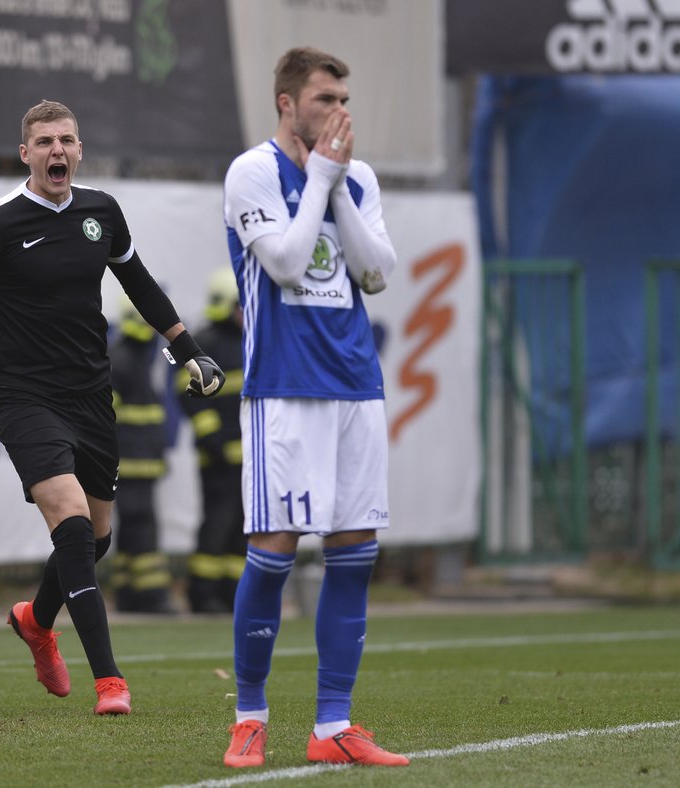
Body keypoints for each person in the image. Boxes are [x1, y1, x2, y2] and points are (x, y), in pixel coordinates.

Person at [0, 99, 225, 716]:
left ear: (80, 150)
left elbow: (139, 284)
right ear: (24, 153)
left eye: (67, 140)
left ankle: (36, 618)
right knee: (73, 521)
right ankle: (110, 681)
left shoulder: (101, 212)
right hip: (24, 396)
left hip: (90, 395)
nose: (58, 150)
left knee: (95, 538)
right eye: (45, 141)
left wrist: (190, 352)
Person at [220, 47, 407, 767]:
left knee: (354, 554)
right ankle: (250, 715)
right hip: (285, 388)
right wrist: (322, 178)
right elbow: (289, 263)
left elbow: (375, 272)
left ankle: (333, 728)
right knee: (273, 553)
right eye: (324, 98)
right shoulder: (252, 172)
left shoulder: (357, 177)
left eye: (342, 98)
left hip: (357, 385)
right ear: (287, 103)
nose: (338, 112)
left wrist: (336, 185)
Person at [178, 268, 247, 614]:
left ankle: (233, 594)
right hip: (217, 457)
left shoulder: (249, 340)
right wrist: (210, 436)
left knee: (242, 528)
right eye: (240, 304)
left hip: (248, 458)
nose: (245, 311)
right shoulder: (204, 342)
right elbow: (186, 393)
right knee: (217, 524)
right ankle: (201, 595)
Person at [109, 296, 177, 614]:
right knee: (142, 528)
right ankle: (151, 596)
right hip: (131, 463)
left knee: (132, 529)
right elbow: (108, 418)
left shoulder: (136, 357)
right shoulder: (122, 359)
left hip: (141, 462)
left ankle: (128, 593)